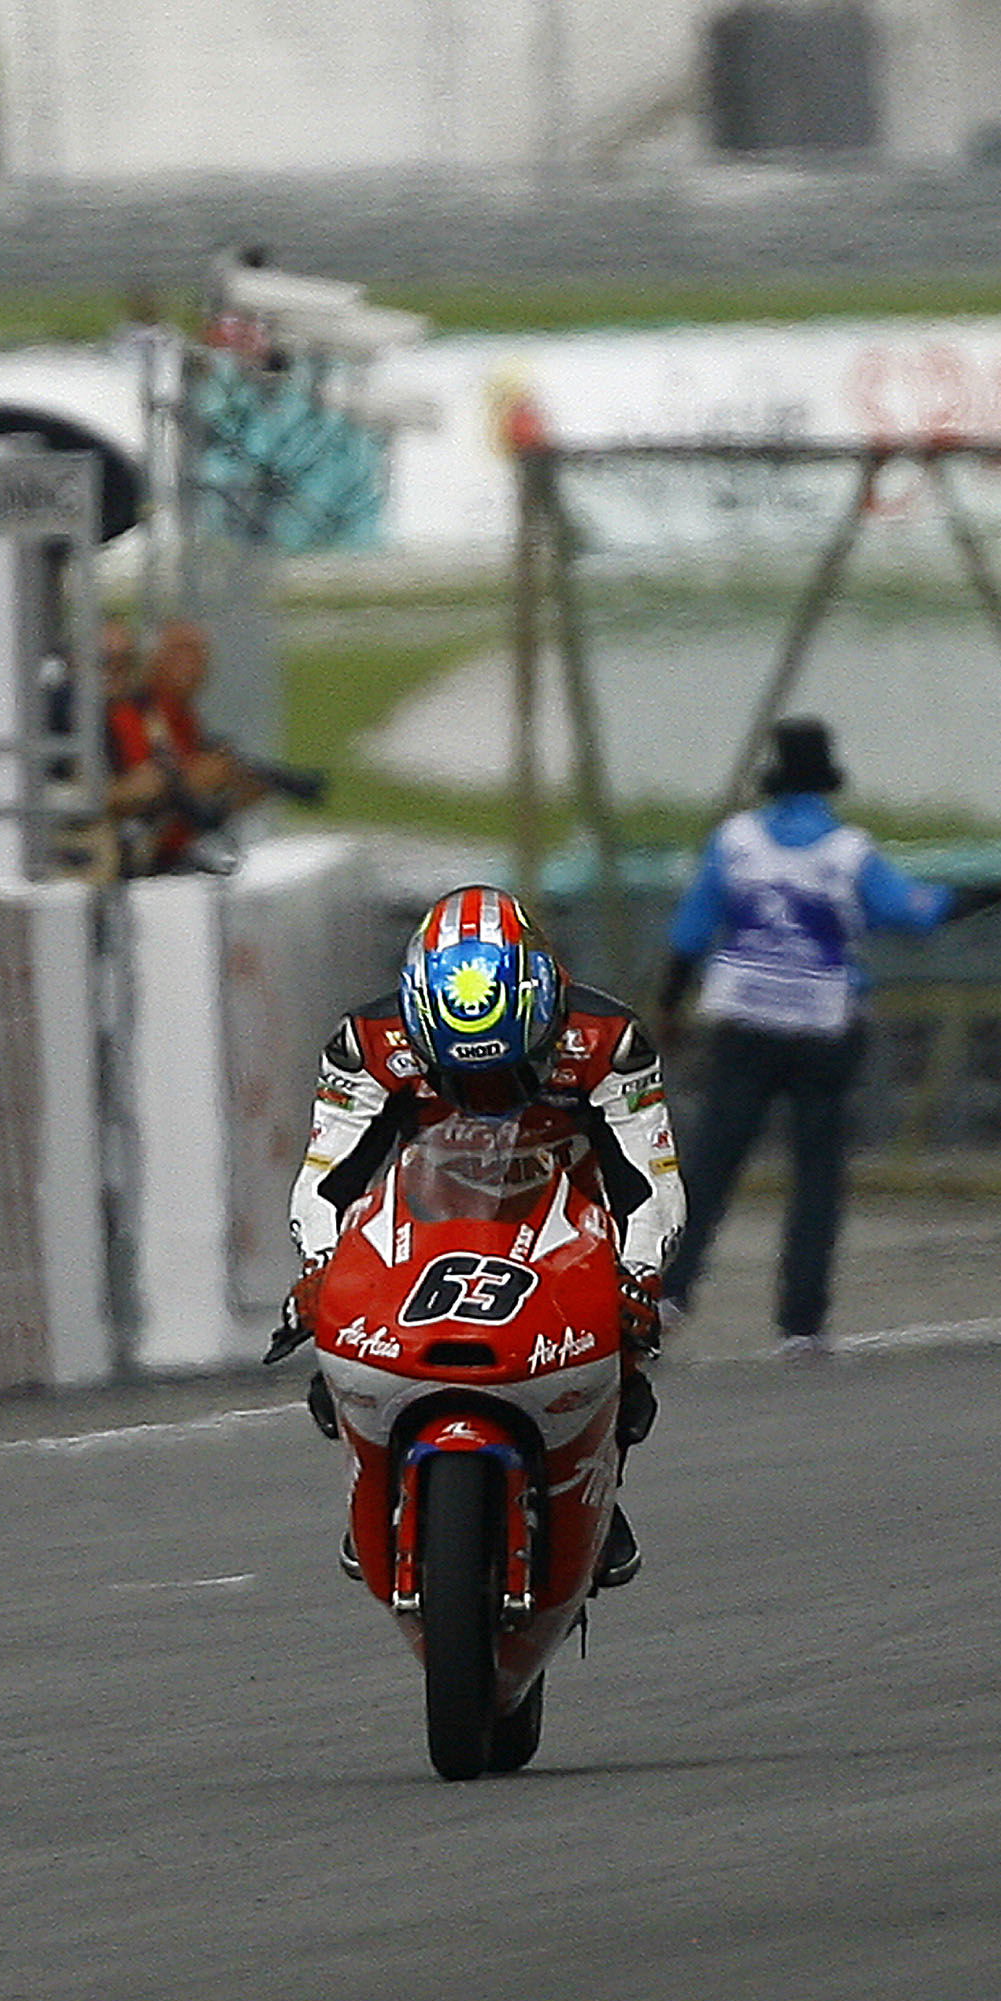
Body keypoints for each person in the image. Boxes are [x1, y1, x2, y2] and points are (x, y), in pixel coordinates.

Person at [280, 885, 681, 1587]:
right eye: (463, 1078)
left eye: (509, 1073)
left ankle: (592, 1486)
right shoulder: (366, 1044)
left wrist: (638, 1272)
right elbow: (325, 1180)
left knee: (630, 1367)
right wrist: (320, 1266)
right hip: (426, 1217)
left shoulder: (610, 1043)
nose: (489, 1095)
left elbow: (650, 1181)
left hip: (568, 1222)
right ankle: (373, 1479)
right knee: (334, 1352)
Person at [654, 716, 1001, 1352]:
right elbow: (917, 914)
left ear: (772, 778)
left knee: (711, 1166)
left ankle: (670, 1294)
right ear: (827, 781)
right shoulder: (848, 853)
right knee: (816, 1178)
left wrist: (668, 1009)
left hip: (743, 1023)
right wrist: (998, 893)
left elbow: (689, 936)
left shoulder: (736, 841)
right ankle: (800, 1323)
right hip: (822, 1028)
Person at [103, 618, 320, 874]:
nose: (193, 663)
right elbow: (133, 798)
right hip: (132, 864)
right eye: (180, 651)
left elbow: (194, 814)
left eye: (199, 653)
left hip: (168, 860)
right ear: (152, 659)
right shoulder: (130, 716)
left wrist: (229, 796)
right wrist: (189, 783)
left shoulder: (181, 720)